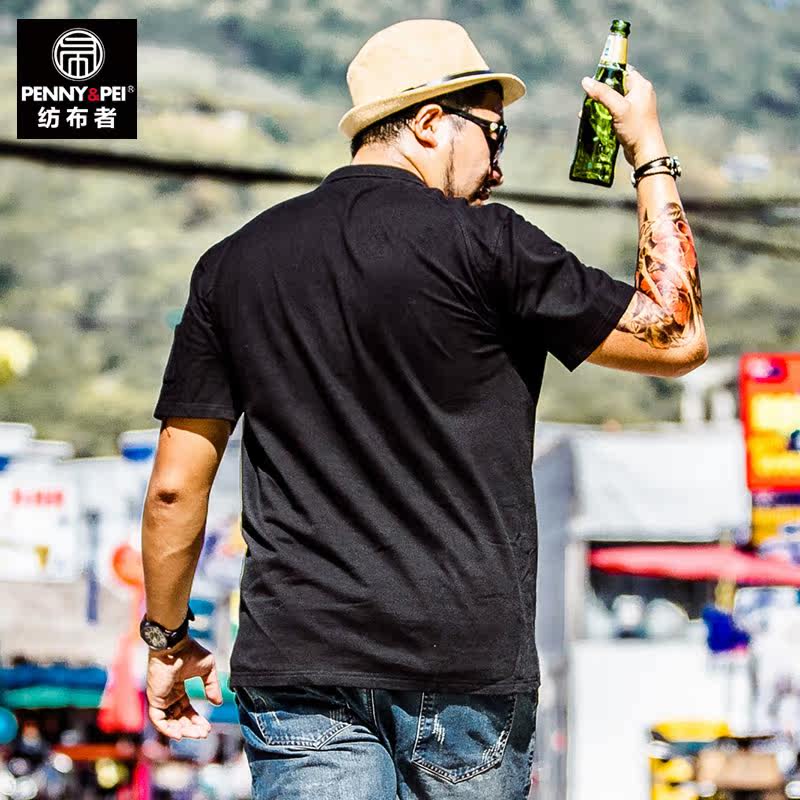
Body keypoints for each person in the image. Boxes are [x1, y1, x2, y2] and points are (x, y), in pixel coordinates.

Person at [140, 18, 707, 800]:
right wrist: (648, 150)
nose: (499, 167)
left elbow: (175, 489)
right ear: (433, 123)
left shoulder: (232, 265)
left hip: (302, 670)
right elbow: (677, 334)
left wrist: (167, 638)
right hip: (465, 670)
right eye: (494, 136)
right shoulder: (490, 246)